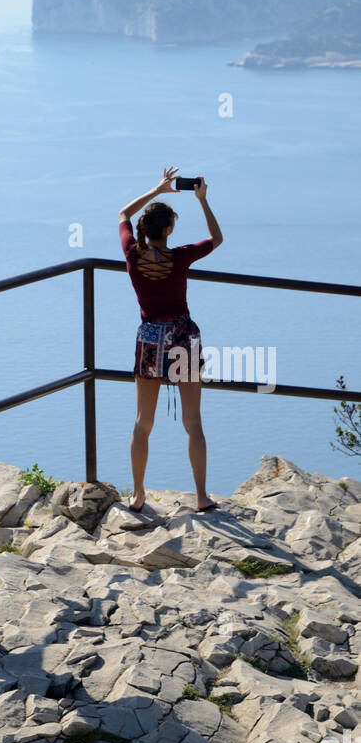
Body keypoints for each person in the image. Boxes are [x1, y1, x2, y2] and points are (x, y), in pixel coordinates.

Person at [118, 166, 223, 515]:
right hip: (182, 335)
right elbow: (216, 239)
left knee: (142, 422)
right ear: (168, 230)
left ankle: (137, 494)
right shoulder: (180, 257)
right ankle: (202, 496)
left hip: (150, 338)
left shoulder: (132, 255)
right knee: (193, 421)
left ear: (144, 231)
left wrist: (157, 190)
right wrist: (203, 201)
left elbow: (123, 214)